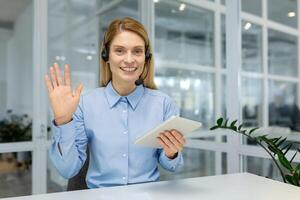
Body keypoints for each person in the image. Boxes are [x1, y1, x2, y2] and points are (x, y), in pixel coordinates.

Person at [44, 17, 186, 188]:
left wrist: (171, 153)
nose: (129, 59)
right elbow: (68, 170)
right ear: (106, 56)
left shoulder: (163, 103)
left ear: (146, 57)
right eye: (119, 51)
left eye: (137, 51)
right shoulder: (86, 104)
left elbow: (173, 166)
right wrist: (63, 121)